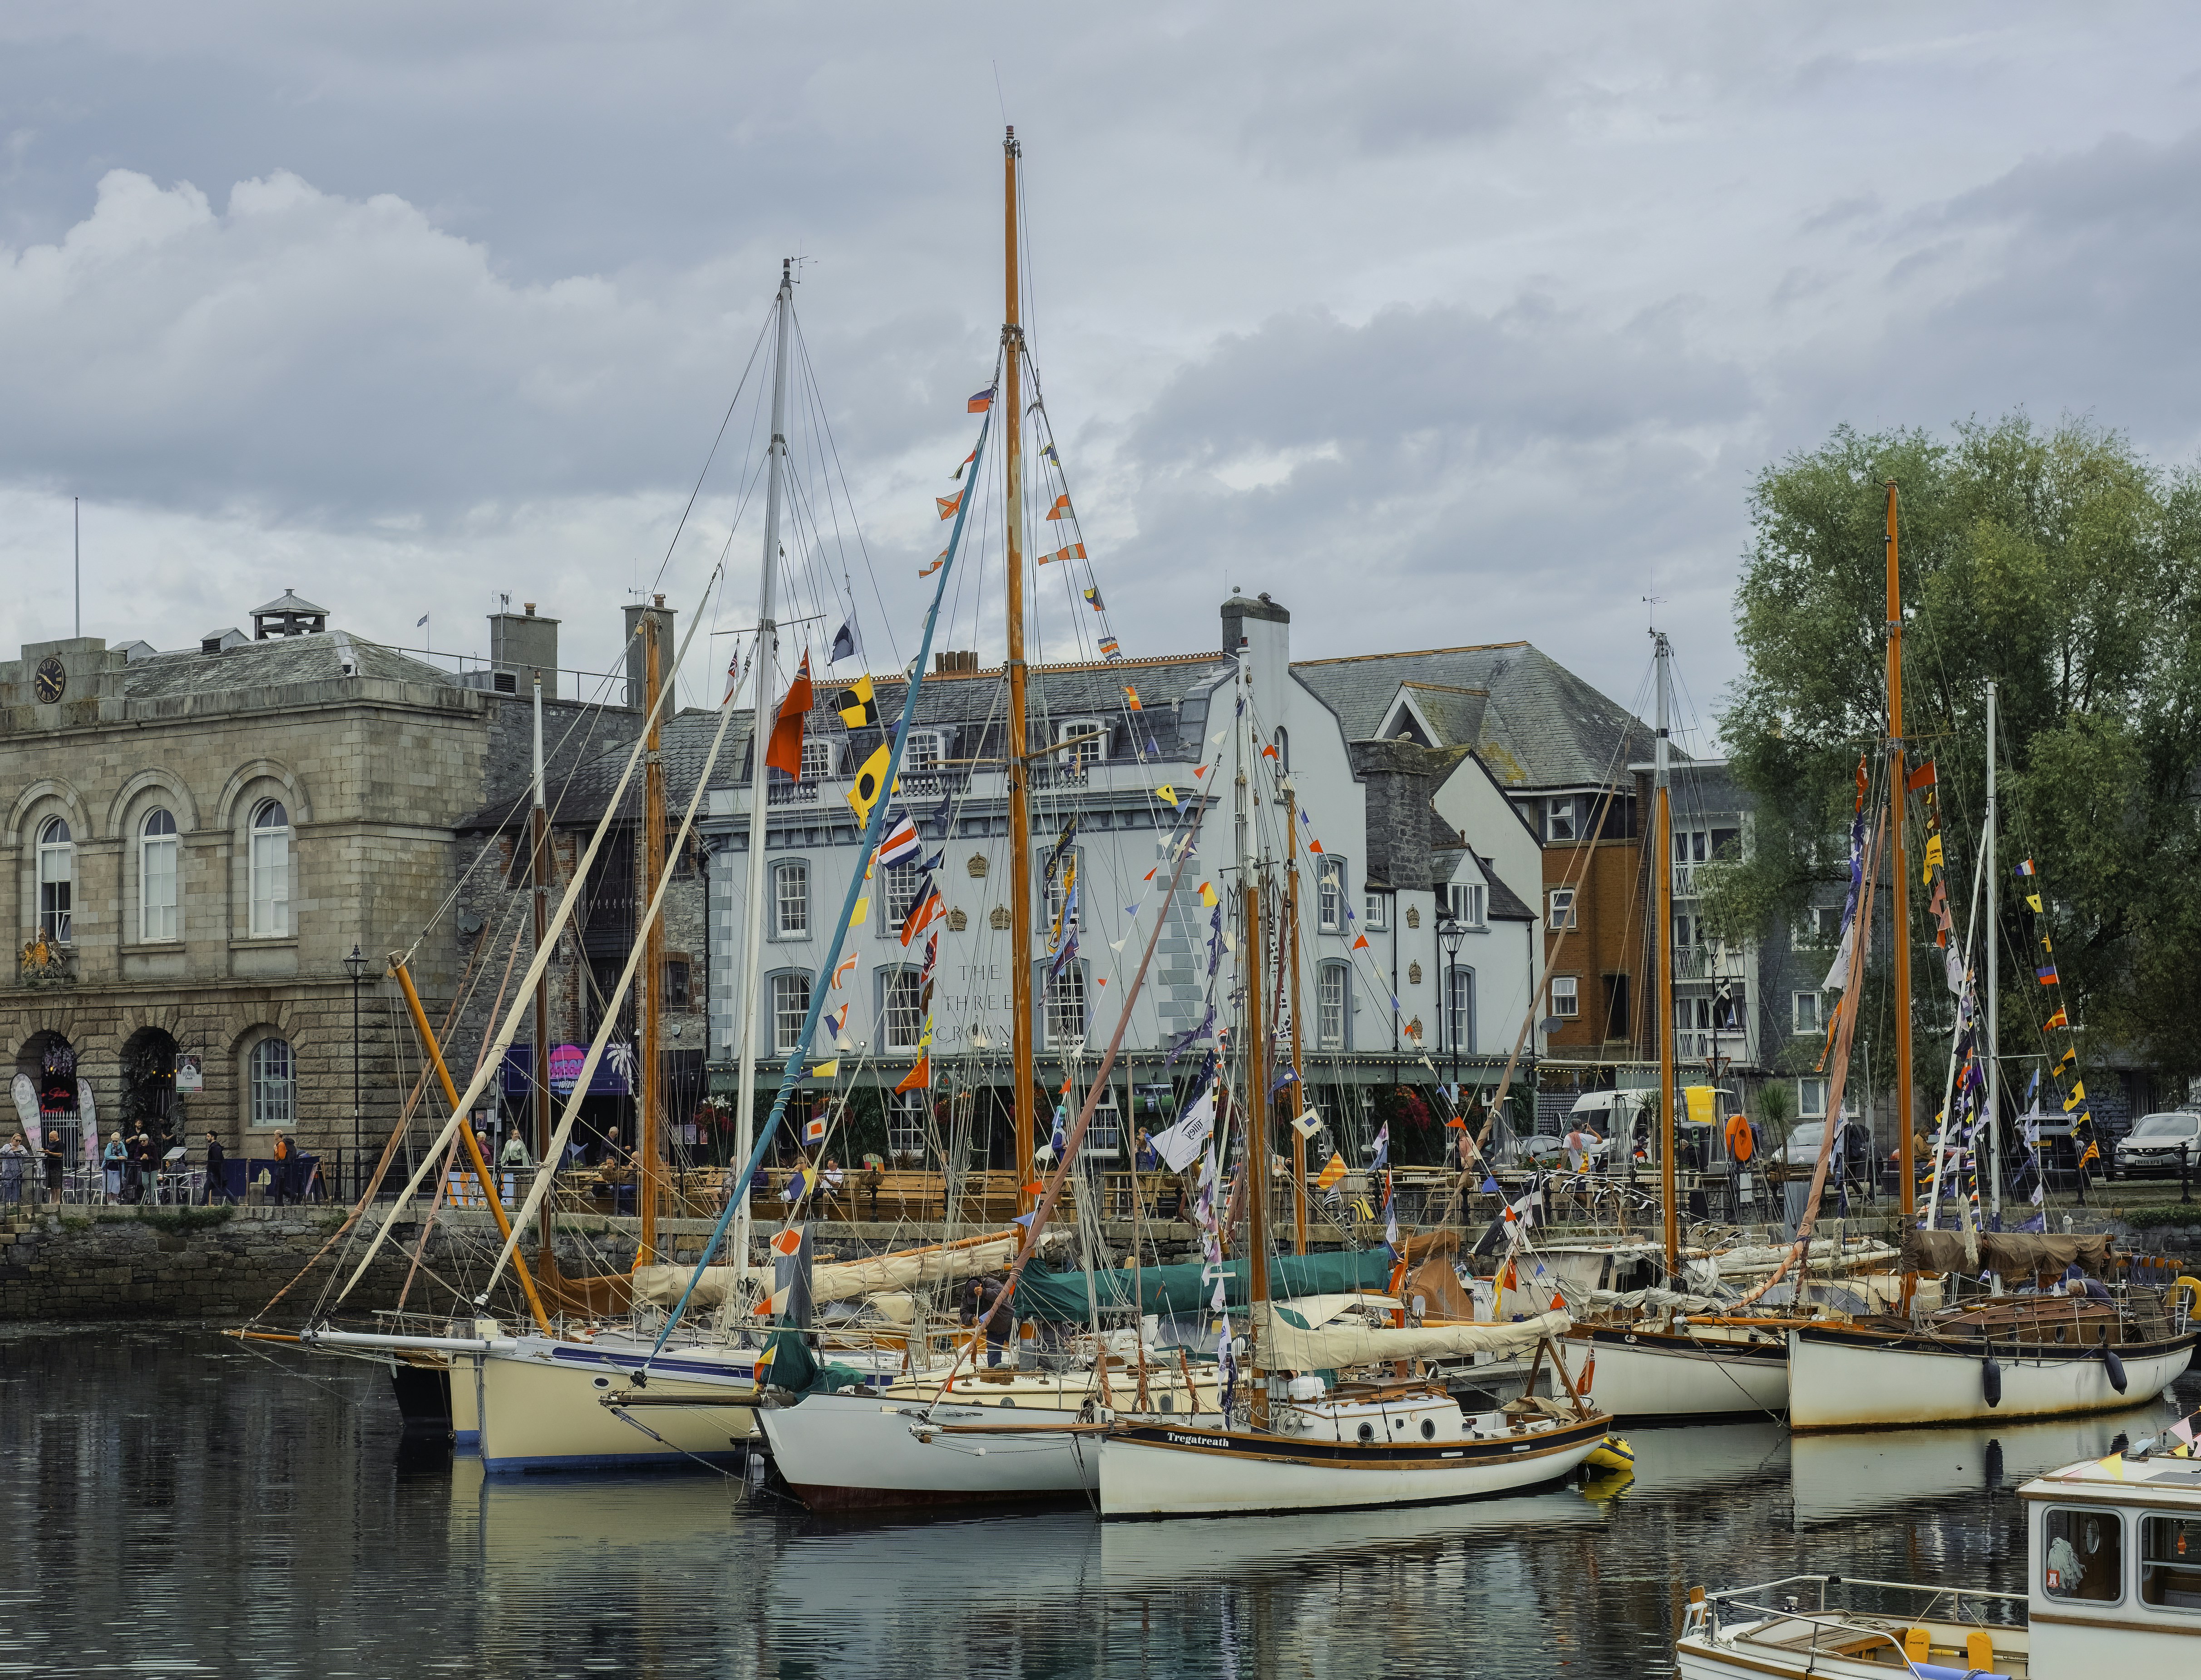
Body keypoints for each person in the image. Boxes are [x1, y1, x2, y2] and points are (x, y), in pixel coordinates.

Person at [202, 1133, 229, 1205]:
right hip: (212, 1172)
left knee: (223, 1188)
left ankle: (235, 1202)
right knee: (207, 1188)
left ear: (213, 1137)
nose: (207, 1138)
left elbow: (217, 1161)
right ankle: (203, 1203)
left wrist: (216, 1171)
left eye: (208, 1136)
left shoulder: (215, 1147)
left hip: (214, 1172)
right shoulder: (213, 1146)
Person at [1, 1132, 26, 1207]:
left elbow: (26, 1154)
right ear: (13, 1139)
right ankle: (5, 1203)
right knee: (7, 1185)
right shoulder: (7, 1146)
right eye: (17, 1140)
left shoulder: (21, 1147)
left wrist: (20, 1152)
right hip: (7, 1170)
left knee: (16, 1185)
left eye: (20, 1141)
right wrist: (10, 1150)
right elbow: (2, 1152)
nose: (18, 1142)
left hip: (17, 1170)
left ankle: (15, 1203)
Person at [42, 1127, 66, 1203]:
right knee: (51, 1184)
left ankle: (58, 1200)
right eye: (50, 1137)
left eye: (52, 1137)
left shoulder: (60, 1144)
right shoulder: (50, 1144)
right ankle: (53, 1199)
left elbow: (60, 1155)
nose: (51, 1138)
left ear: (56, 1136)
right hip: (49, 1165)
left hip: (57, 1166)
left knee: (57, 1183)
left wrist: (50, 1153)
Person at [103, 1132, 127, 1203]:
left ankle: (114, 1200)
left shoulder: (122, 1145)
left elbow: (125, 1155)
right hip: (109, 1168)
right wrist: (118, 1158)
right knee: (108, 1185)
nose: (114, 1142)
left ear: (119, 1141)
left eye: (116, 1141)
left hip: (118, 1169)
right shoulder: (109, 1146)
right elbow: (107, 1156)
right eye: (113, 1141)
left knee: (117, 1185)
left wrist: (122, 1157)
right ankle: (110, 1201)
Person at [271, 1131, 294, 1205]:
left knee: (279, 1186)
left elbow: (282, 1156)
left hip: (281, 1167)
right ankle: (292, 1196)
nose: (274, 1136)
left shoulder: (281, 1144)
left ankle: (280, 1202)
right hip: (280, 1166)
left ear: (278, 1135)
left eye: (275, 1135)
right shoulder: (279, 1144)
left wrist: (276, 1150)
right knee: (280, 1186)